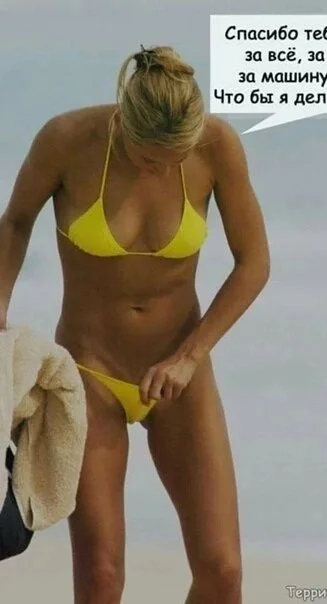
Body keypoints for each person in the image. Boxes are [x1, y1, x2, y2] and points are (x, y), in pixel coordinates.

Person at [0, 44, 270, 604]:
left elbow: (254, 263)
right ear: (124, 120)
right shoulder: (67, 140)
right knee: (101, 579)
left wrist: (190, 357)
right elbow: (16, 222)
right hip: (88, 375)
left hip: (179, 373)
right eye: (150, 159)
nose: (161, 170)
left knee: (223, 572)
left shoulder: (217, 146)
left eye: (175, 159)